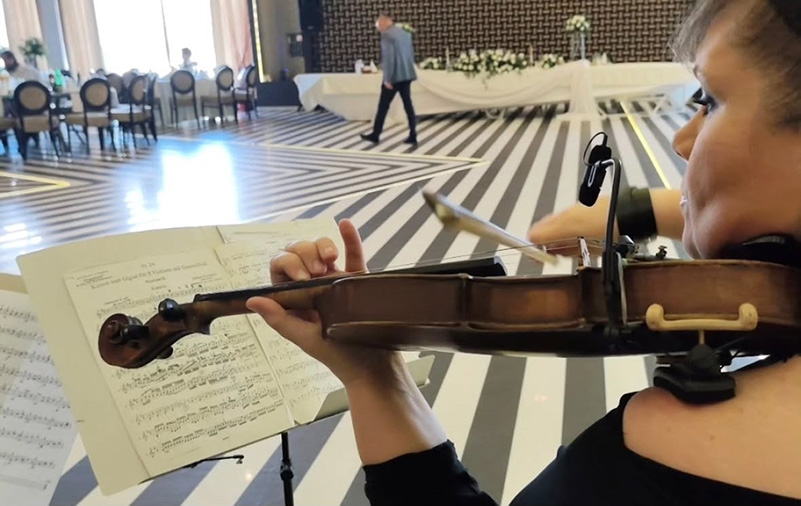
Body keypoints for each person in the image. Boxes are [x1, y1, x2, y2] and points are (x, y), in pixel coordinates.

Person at [248, 0, 801, 504]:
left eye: (710, 100)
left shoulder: (659, 457)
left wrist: (372, 377)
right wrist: (641, 209)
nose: (682, 141)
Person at [360, 12, 418, 145]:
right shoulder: (405, 34)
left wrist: (387, 79)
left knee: (383, 106)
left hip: (394, 76)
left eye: (378, 26)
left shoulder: (387, 35)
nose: (378, 29)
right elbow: (410, 54)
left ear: (384, 23)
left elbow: (389, 59)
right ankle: (413, 134)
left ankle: (375, 134)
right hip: (407, 74)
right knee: (408, 105)